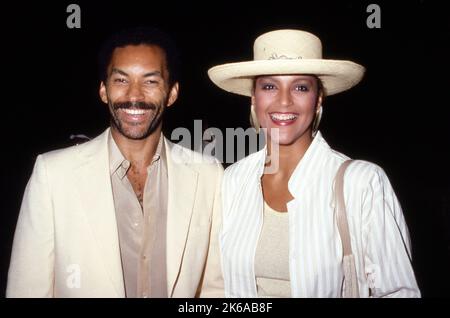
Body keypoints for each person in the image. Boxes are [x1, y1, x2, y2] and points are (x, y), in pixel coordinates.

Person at [7, 27, 223, 298]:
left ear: (172, 93)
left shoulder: (209, 176)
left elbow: (216, 289)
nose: (135, 95)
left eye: (151, 81)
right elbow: (27, 290)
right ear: (103, 91)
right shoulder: (53, 175)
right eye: (121, 80)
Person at [208, 29, 420, 297]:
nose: (284, 101)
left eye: (300, 87)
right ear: (254, 97)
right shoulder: (232, 181)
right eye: (270, 86)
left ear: (318, 99)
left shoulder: (362, 183)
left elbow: (398, 291)